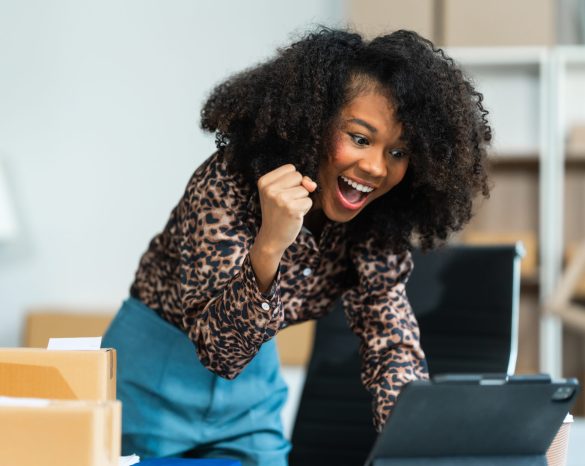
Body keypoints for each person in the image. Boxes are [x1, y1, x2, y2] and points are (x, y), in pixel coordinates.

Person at [103, 27, 491, 466]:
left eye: (399, 152)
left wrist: (416, 442)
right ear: (313, 122)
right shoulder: (227, 184)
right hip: (153, 373)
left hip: (252, 390)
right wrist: (270, 243)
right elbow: (218, 349)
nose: (376, 167)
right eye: (360, 138)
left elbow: (390, 341)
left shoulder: (374, 226)